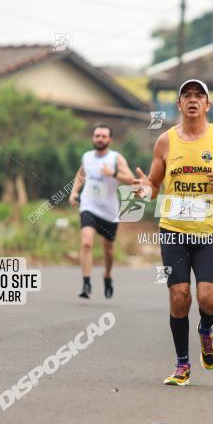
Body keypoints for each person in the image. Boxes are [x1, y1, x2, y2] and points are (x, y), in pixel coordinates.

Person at [132, 79, 213, 386]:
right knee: (179, 297)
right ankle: (182, 365)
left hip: (209, 231)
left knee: (208, 299)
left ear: (208, 105)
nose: (193, 100)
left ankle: (206, 331)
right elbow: (154, 186)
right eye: (186, 96)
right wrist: (146, 189)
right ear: (178, 105)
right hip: (173, 230)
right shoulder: (165, 142)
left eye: (199, 96)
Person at [69, 123, 135, 299]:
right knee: (86, 242)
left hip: (109, 211)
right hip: (88, 206)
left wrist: (112, 173)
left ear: (110, 140)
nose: (100, 139)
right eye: (97, 136)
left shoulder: (116, 159)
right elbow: (80, 175)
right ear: (93, 138)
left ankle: (107, 275)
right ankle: (86, 283)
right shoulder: (87, 157)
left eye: (103, 136)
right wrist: (74, 191)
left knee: (108, 250)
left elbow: (131, 180)